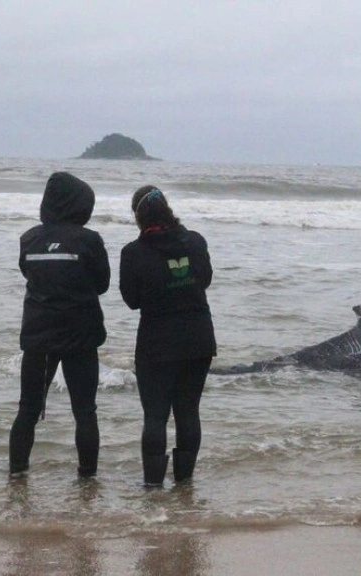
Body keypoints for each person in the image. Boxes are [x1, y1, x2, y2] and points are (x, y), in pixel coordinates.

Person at [10, 172, 110, 478]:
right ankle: (87, 478)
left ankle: (17, 475)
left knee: (28, 409)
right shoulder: (89, 240)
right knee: (85, 410)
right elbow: (102, 284)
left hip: (38, 336)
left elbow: (28, 273)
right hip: (81, 334)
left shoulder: (29, 239)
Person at [120, 186, 216, 486]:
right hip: (198, 338)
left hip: (157, 342)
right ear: (167, 209)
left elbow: (132, 300)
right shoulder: (195, 241)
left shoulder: (133, 252)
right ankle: (184, 483)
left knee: (155, 416)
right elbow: (205, 279)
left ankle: (152, 486)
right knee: (188, 412)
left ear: (138, 216)